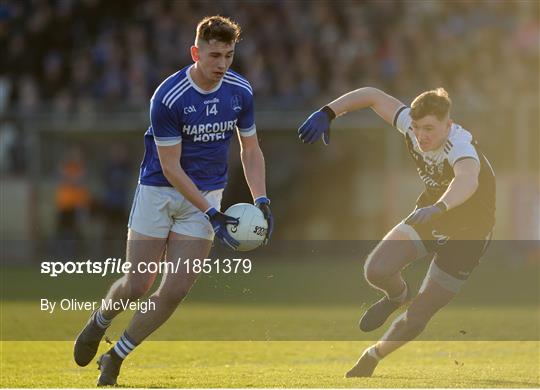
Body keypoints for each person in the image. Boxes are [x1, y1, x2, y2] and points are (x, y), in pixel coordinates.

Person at [74, 16, 273, 386]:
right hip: (159, 191)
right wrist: (212, 213)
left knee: (176, 289)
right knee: (138, 285)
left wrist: (261, 199)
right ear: (195, 52)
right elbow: (170, 168)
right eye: (215, 55)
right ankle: (100, 320)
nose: (222, 65)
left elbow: (251, 149)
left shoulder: (240, 91)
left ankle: (115, 357)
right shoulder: (169, 96)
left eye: (229, 56)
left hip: (208, 194)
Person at [298, 87, 495, 377]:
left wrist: (441, 207)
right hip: (434, 213)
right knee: (376, 270)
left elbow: (467, 181)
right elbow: (372, 96)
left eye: (429, 129)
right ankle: (397, 296)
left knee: (418, 317)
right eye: (416, 128)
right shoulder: (412, 127)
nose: (420, 136)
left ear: (448, 126)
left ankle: (372, 356)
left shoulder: (461, 145)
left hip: (469, 232)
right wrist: (329, 112)